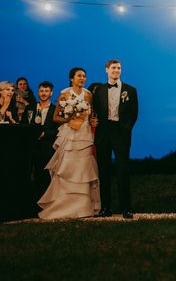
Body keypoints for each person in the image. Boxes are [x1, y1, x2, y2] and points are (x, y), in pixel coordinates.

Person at [38, 67, 100, 219]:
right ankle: (63, 207)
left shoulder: (88, 95)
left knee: (83, 168)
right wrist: (70, 117)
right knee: (67, 168)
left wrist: (91, 120)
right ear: (72, 78)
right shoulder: (64, 94)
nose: (82, 78)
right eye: (79, 76)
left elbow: (91, 114)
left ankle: (84, 208)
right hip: (69, 135)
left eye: (84, 76)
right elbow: (56, 117)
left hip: (84, 135)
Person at [93, 59, 138, 219]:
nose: (116, 70)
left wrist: (125, 130)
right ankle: (106, 208)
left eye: (119, 68)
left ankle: (126, 208)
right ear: (106, 70)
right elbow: (95, 111)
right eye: (113, 68)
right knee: (104, 172)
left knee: (122, 171)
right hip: (103, 134)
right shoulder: (98, 91)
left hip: (121, 134)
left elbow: (134, 114)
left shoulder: (131, 90)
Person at [32, 81, 58, 202]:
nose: (43, 93)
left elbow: (58, 130)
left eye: (46, 91)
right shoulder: (31, 107)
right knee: (33, 174)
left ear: (51, 93)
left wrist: (45, 133)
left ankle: (46, 202)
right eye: (41, 91)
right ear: (38, 92)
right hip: (32, 146)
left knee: (46, 176)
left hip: (47, 147)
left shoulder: (54, 109)